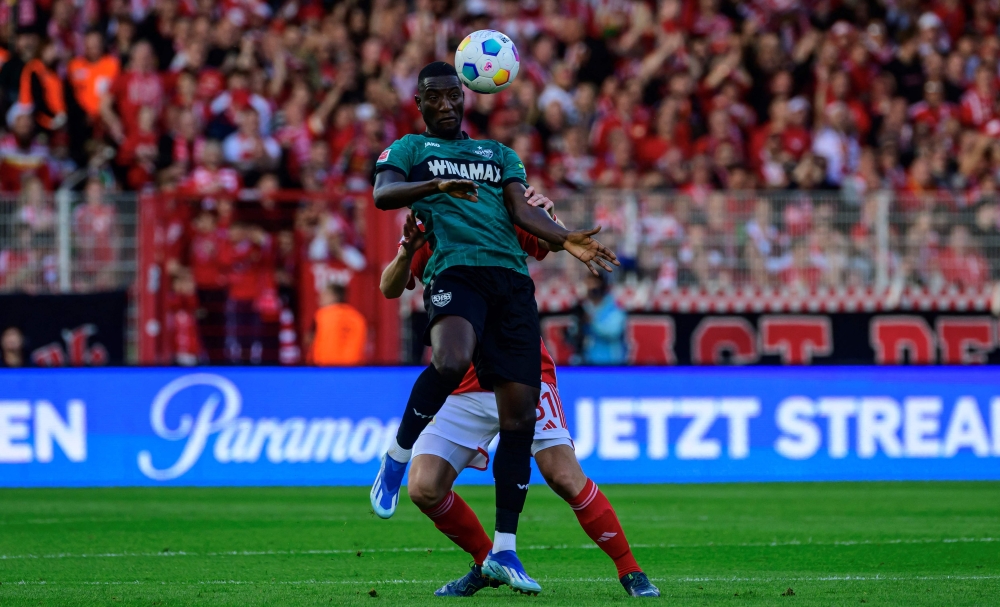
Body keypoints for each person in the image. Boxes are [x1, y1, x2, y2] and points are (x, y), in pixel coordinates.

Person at [369, 61, 618, 594]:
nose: (445, 103)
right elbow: (383, 196)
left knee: (520, 422)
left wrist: (564, 236)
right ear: (418, 103)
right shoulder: (410, 151)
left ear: (466, 96)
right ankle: (396, 456)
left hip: (509, 282)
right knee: (451, 359)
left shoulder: (498, 155)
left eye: (452, 94)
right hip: (456, 272)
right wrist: (434, 184)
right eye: (433, 96)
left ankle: (504, 551)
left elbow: (525, 217)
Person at [381, 208, 659, 598]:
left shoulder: (502, 205)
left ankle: (631, 571)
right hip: (462, 381)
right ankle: (487, 562)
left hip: (521, 372)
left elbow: (545, 240)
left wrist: (547, 216)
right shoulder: (431, 219)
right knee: (424, 487)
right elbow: (390, 287)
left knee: (563, 475)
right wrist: (404, 253)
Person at [308, 282, 367, 366]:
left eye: (323, 295)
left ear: (333, 296)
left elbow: (309, 340)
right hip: (353, 369)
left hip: (326, 368)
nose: (319, 299)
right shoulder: (358, 317)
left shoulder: (321, 316)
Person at [578, 273, 628, 365]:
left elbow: (613, 331)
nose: (591, 287)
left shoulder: (614, 307)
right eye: (588, 284)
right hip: (588, 361)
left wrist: (592, 322)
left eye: (594, 283)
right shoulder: (585, 307)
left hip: (610, 361)